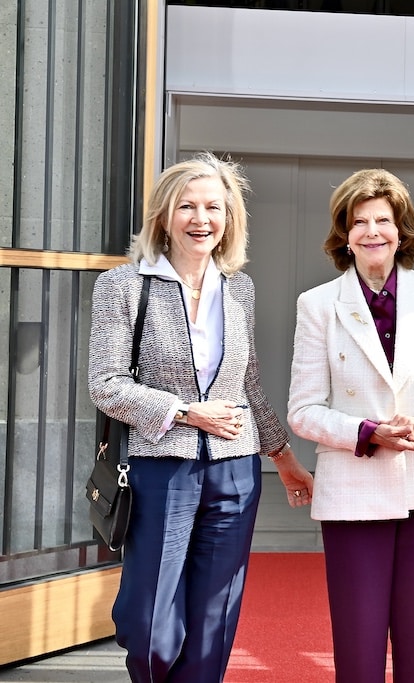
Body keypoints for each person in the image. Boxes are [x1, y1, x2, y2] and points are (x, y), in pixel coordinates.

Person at [88, 151, 313, 682]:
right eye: (186, 206)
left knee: (214, 618)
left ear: (229, 218)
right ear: (164, 216)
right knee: (149, 623)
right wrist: (186, 412)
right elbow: (105, 383)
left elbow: (248, 384)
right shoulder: (123, 286)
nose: (201, 218)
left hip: (235, 470)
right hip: (161, 468)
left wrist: (282, 457)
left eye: (214, 207)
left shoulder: (240, 289)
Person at [286, 168, 414, 683]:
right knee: (358, 644)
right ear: (344, 234)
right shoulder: (318, 305)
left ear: (402, 230)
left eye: (384, 219)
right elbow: (302, 410)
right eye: (360, 222)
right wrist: (368, 431)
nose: (373, 231)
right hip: (354, 488)